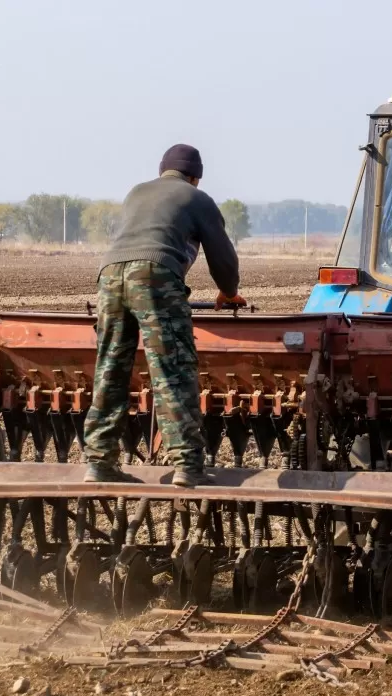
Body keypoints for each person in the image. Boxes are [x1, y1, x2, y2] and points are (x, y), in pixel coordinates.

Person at [82, 144, 244, 488]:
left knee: (110, 366)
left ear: (161, 171)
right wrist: (229, 292)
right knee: (171, 368)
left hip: (109, 276)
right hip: (154, 274)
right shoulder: (196, 199)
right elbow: (223, 258)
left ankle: (98, 460)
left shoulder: (136, 193)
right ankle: (187, 464)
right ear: (195, 177)